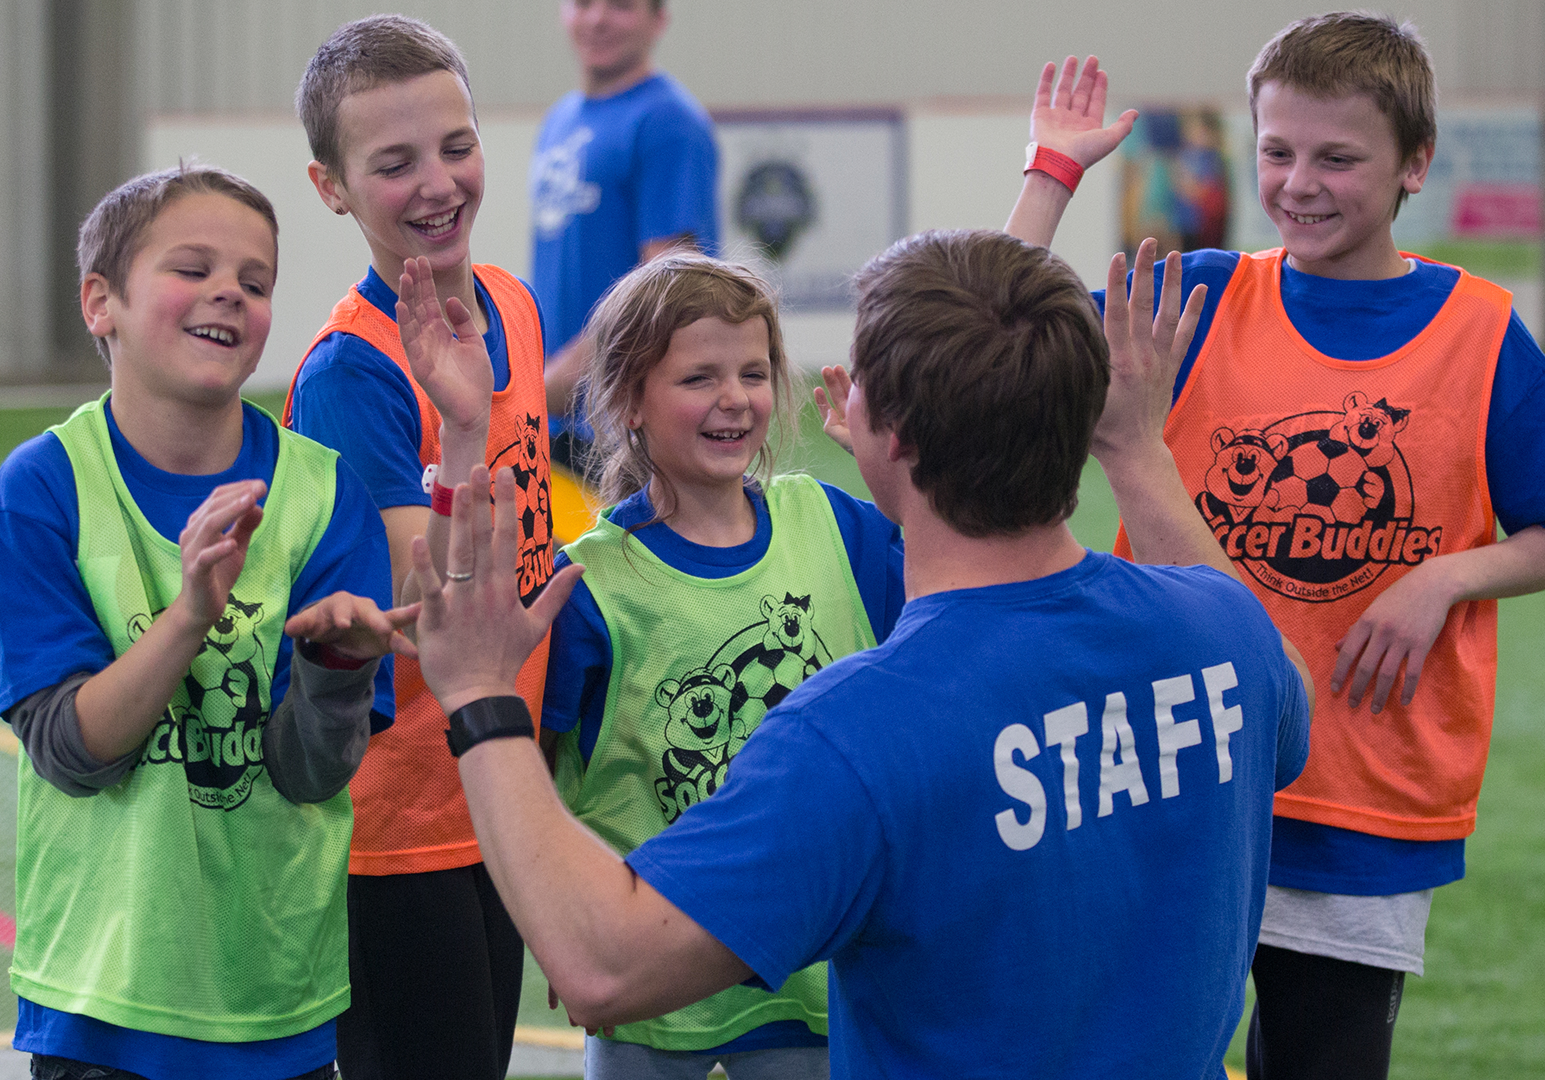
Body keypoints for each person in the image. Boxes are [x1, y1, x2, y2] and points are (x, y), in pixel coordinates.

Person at [392, 222, 1318, 1077]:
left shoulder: (856, 736)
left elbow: (603, 967)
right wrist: (1138, 449)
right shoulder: (1228, 635)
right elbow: (1290, 706)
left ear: (889, 436)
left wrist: (478, 693)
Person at [1011, 20, 1545, 1078]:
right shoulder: (1199, 298)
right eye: (1277, 151)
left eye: (1337, 157)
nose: (1299, 184)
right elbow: (990, 337)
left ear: (1414, 164)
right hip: (1173, 772)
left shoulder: (1479, 333)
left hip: (1364, 797)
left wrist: (1447, 576)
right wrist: (1051, 176)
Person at [0, 163, 408, 1080]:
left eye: (256, 281)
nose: (229, 292)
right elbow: (70, 753)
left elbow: (308, 773)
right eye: (192, 268)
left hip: (275, 999)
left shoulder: (325, 495)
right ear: (101, 302)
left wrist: (339, 669)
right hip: (100, 1002)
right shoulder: (44, 487)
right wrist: (188, 617)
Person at [539, 253, 905, 1077]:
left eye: (753, 372)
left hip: (815, 969)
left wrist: (897, 486)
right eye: (699, 377)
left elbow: (958, 605)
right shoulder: (590, 584)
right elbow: (534, 774)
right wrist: (564, 918)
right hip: (650, 982)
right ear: (628, 401)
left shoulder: (836, 527)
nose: (734, 397)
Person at [280, 15, 555, 1080]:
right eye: (394, 164)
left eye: (457, 146)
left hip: (499, 786)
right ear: (332, 188)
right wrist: (465, 430)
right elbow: (419, 602)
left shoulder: (512, 305)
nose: (438, 184)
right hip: (399, 833)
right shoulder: (352, 372)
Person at [531, 0, 720, 469]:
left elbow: (666, 285)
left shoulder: (668, 122)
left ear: (659, 20)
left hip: (623, 429)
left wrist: (553, 384)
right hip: (556, 423)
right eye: (583, 3)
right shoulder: (560, 120)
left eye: (620, 5)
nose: (598, 18)